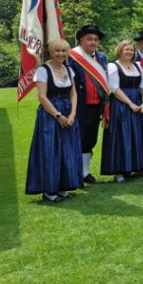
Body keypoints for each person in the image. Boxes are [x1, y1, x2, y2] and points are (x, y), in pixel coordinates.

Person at [26, 38, 83, 202]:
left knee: (67, 150)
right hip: (50, 115)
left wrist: (72, 114)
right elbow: (42, 97)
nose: (60, 54)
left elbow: (73, 94)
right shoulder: (43, 70)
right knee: (51, 151)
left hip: (68, 111)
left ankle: (64, 186)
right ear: (51, 52)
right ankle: (50, 191)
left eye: (64, 51)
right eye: (57, 51)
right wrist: (58, 115)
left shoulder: (69, 69)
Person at [101, 40, 143, 182]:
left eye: (131, 50)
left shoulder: (137, 66)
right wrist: (130, 103)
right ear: (120, 51)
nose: (129, 52)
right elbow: (115, 89)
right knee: (121, 136)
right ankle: (119, 170)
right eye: (126, 50)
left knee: (135, 135)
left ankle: (132, 166)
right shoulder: (113, 66)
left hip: (137, 103)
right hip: (121, 106)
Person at [68, 24, 109, 183]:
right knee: (76, 139)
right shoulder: (71, 57)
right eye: (89, 39)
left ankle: (85, 173)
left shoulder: (102, 58)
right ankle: (73, 174)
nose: (93, 42)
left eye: (95, 39)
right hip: (78, 105)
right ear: (80, 40)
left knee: (90, 140)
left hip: (96, 105)